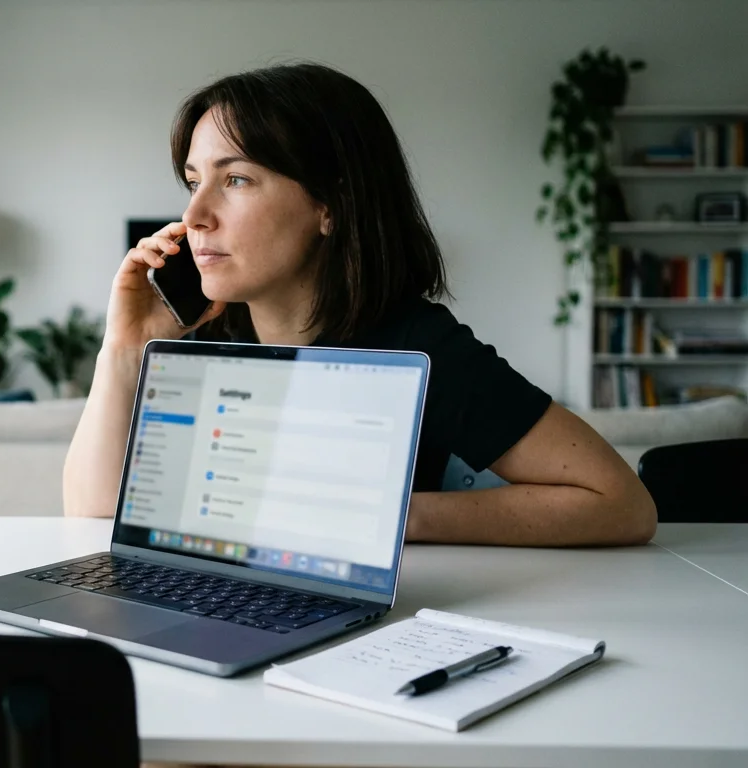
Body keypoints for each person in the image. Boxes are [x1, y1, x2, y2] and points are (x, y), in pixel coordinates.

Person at [63, 63, 656, 547]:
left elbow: (621, 504)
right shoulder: (203, 342)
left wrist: (391, 517)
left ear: (331, 206)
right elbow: (93, 517)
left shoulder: (417, 347)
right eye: (194, 182)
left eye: (236, 179)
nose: (194, 216)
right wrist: (124, 347)